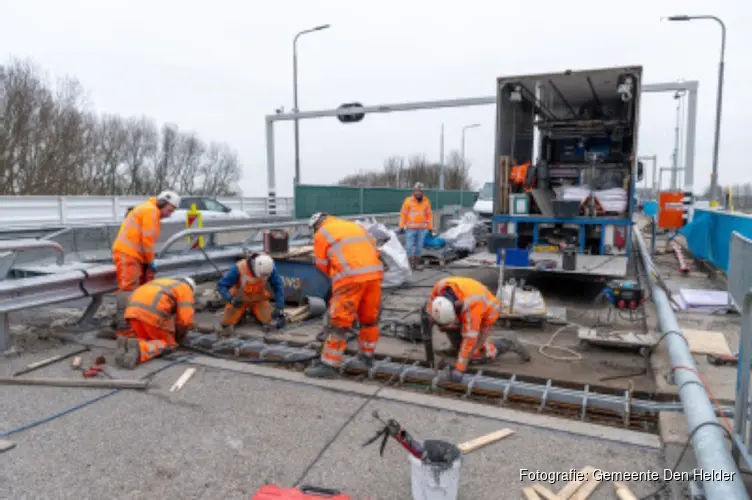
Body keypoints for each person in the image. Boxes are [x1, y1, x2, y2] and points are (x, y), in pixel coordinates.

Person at [305, 212, 384, 378]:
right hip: (374, 275)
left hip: (350, 277)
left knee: (339, 322)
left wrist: (336, 278)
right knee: (369, 320)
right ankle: (366, 357)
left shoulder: (322, 233)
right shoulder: (355, 226)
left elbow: (322, 265)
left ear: (316, 225)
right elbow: (374, 248)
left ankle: (329, 365)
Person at [426, 276, 531, 382]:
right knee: (448, 326)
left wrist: (460, 369)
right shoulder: (440, 288)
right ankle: (457, 349)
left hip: (487, 312)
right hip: (468, 303)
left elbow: (469, 340)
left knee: (474, 354)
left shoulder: (472, 310)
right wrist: (433, 318)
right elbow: (431, 308)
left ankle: (508, 342)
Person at [111, 190, 181, 332]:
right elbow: (147, 242)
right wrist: (150, 262)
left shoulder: (148, 209)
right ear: (162, 203)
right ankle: (123, 325)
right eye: (169, 210)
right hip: (128, 254)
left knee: (140, 288)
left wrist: (147, 262)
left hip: (135, 254)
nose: (169, 215)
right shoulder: (151, 211)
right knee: (128, 288)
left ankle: (135, 320)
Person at [115, 277, 196, 369]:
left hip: (131, 313)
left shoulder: (162, 282)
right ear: (191, 288)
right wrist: (180, 337)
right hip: (152, 315)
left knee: (147, 339)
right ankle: (140, 350)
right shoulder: (185, 289)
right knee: (169, 345)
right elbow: (185, 320)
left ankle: (127, 346)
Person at [216, 252, 286, 331]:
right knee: (226, 324)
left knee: (269, 323)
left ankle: (253, 313)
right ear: (255, 267)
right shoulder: (239, 268)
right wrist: (230, 299)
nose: (264, 277)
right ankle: (243, 314)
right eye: (262, 275)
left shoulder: (269, 267)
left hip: (259, 299)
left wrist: (279, 306)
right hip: (239, 300)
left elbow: (278, 285)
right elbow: (221, 285)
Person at [398, 182, 433, 270]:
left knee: (419, 247)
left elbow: (429, 215)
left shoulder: (426, 201)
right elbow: (403, 214)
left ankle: (416, 265)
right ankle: (409, 265)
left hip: (421, 229)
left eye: (420, 191)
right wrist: (401, 226)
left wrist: (430, 228)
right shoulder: (408, 201)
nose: (418, 192)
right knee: (408, 247)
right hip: (410, 229)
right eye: (416, 191)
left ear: (422, 192)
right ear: (414, 191)